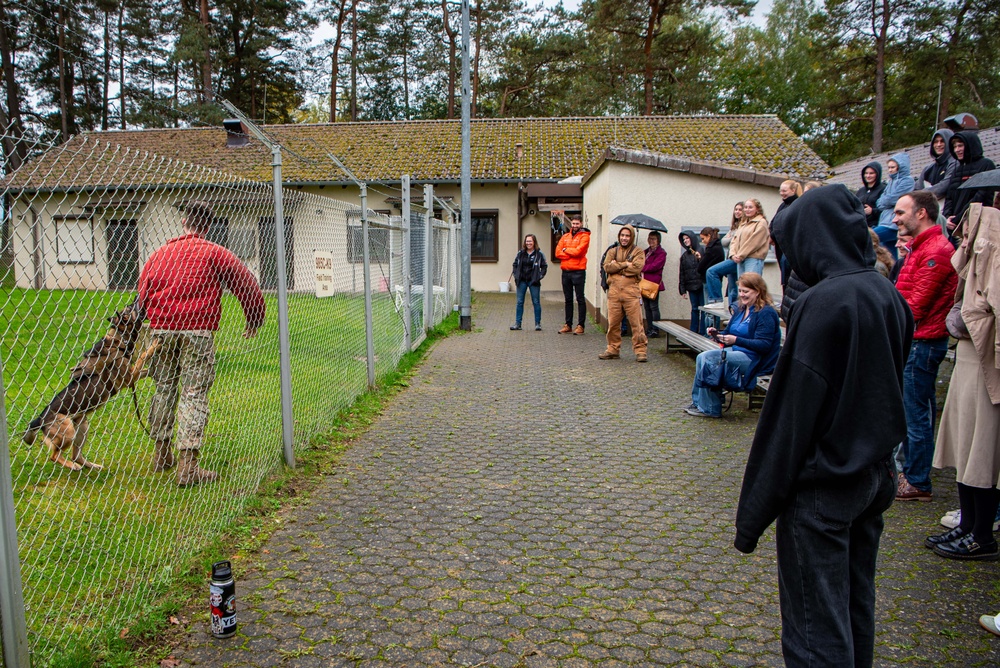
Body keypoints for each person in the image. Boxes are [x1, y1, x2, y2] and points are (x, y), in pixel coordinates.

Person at [735, 185, 913, 667]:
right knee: (855, 606)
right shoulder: (887, 294)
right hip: (873, 475)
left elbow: (790, 418)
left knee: (815, 627)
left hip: (824, 487)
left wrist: (752, 515)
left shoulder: (826, 302)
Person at [139, 201, 266, 486]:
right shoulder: (214, 252)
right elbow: (245, 283)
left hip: (161, 329)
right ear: (207, 227)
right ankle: (188, 467)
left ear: (184, 222)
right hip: (197, 330)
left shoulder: (158, 254)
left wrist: (142, 323)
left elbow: (143, 291)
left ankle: (161, 455)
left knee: (163, 389)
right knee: (193, 393)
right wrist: (254, 317)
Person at [925, 204, 1000, 560]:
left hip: (988, 362)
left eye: (969, 231)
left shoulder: (993, 249)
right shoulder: (974, 256)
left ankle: (982, 534)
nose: (963, 236)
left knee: (981, 451)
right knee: (964, 445)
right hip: (969, 357)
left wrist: (972, 317)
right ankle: (968, 523)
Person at [893, 191, 958, 502]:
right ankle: (912, 472)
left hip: (923, 343)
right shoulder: (920, 249)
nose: (895, 218)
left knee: (916, 413)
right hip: (918, 341)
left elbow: (915, 306)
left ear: (921, 213)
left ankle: (918, 480)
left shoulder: (936, 252)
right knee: (917, 411)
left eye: (901, 212)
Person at [685, 272, 780, 418]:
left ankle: (711, 408)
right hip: (736, 351)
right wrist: (718, 334)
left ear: (758, 291)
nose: (742, 295)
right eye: (740, 290)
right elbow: (729, 332)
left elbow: (764, 345)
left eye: (746, 291)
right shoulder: (742, 309)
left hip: (754, 358)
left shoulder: (765, 313)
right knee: (702, 357)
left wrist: (736, 340)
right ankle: (699, 402)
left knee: (709, 358)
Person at [599, 224, 648, 362]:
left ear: (631, 237)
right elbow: (607, 267)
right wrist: (626, 264)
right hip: (614, 293)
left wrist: (617, 266)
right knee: (613, 323)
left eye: (627, 236)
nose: (624, 238)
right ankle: (612, 349)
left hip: (631, 293)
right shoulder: (612, 251)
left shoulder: (638, 252)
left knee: (636, 324)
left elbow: (637, 269)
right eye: (622, 235)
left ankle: (640, 351)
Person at [943, 131, 997, 238]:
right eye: (954, 146)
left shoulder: (986, 165)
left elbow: (980, 196)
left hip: (978, 223)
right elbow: (949, 196)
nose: (957, 150)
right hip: (955, 226)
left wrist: (959, 217)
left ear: (970, 145)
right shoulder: (957, 169)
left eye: (960, 145)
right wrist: (947, 217)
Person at [875, 154, 915, 259]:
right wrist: (886, 201)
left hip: (894, 224)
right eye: (889, 167)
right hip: (885, 220)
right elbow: (880, 202)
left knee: (870, 236)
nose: (890, 170)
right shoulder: (890, 182)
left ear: (900, 167)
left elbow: (894, 199)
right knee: (891, 255)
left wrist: (886, 201)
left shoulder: (907, 181)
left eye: (893, 167)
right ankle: (893, 273)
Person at [555, 214, 591, 335]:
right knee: (568, 299)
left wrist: (566, 250)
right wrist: (568, 252)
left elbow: (579, 252)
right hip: (566, 272)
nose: (575, 226)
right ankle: (568, 325)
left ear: (581, 224)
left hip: (578, 271)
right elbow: (557, 252)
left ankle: (581, 325)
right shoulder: (565, 236)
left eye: (577, 223)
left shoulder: (585, 236)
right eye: (573, 223)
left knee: (580, 298)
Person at [705, 202, 743, 306]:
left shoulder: (743, 227)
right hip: (730, 258)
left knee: (711, 272)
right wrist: (730, 238)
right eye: (736, 209)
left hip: (737, 259)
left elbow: (731, 241)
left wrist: (730, 238)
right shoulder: (734, 227)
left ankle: (716, 300)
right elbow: (724, 241)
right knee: (732, 289)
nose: (737, 212)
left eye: (740, 209)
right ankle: (733, 314)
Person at [510, 234, 547, 331]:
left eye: (530, 241)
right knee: (519, 302)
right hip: (521, 281)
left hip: (533, 281)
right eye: (527, 241)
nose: (528, 243)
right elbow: (515, 264)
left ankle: (537, 324)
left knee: (536, 302)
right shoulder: (520, 253)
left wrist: (539, 277)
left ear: (534, 242)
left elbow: (544, 267)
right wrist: (515, 274)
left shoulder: (539, 254)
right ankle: (518, 324)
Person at [729, 199, 769, 279]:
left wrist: (740, 255)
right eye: (746, 207)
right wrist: (733, 254)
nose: (747, 210)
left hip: (753, 259)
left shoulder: (761, 223)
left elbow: (754, 242)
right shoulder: (743, 223)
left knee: (751, 286)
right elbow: (735, 240)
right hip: (740, 259)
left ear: (757, 209)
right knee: (742, 286)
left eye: (750, 207)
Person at [773, 180, 802, 287]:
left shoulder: (796, 204)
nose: (782, 193)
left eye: (784, 191)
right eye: (780, 191)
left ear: (793, 190)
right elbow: (774, 221)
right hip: (780, 245)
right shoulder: (782, 205)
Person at [697, 227, 724, 333]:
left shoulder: (712, 248)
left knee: (710, 309)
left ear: (709, 236)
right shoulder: (716, 247)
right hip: (712, 281)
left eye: (703, 239)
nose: (702, 242)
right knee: (710, 309)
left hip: (710, 282)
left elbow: (702, 265)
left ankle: (711, 334)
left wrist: (701, 261)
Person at [916, 128, 956, 198]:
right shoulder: (928, 169)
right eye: (936, 141)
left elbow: (944, 186)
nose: (938, 144)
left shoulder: (954, 164)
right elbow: (917, 188)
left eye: (942, 141)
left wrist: (921, 194)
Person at [641, 231, 666, 338]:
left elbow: (655, 266)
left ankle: (655, 329)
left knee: (653, 306)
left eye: (654, 239)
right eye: (650, 238)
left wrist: (642, 268)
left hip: (653, 283)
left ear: (658, 240)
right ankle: (649, 327)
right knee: (647, 307)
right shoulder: (645, 252)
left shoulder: (661, 253)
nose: (651, 241)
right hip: (644, 282)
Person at [677, 231, 704, 334]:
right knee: (694, 309)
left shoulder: (701, 251)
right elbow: (682, 273)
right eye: (684, 239)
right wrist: (682, 289)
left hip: (701, 285)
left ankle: (702, 332)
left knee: (703, 310)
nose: (685, 241)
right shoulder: (684, 256)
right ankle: (693, 331)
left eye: (687, 238)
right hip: (691, 287)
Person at [855, 162, 886, 228]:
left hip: (875, 225)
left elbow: (887, 209)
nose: (868, 176)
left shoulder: (883, 189)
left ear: (877, 174)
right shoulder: (861, 191)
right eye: (866, 173)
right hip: (860, 224)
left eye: (871, 173)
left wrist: (872, 211)